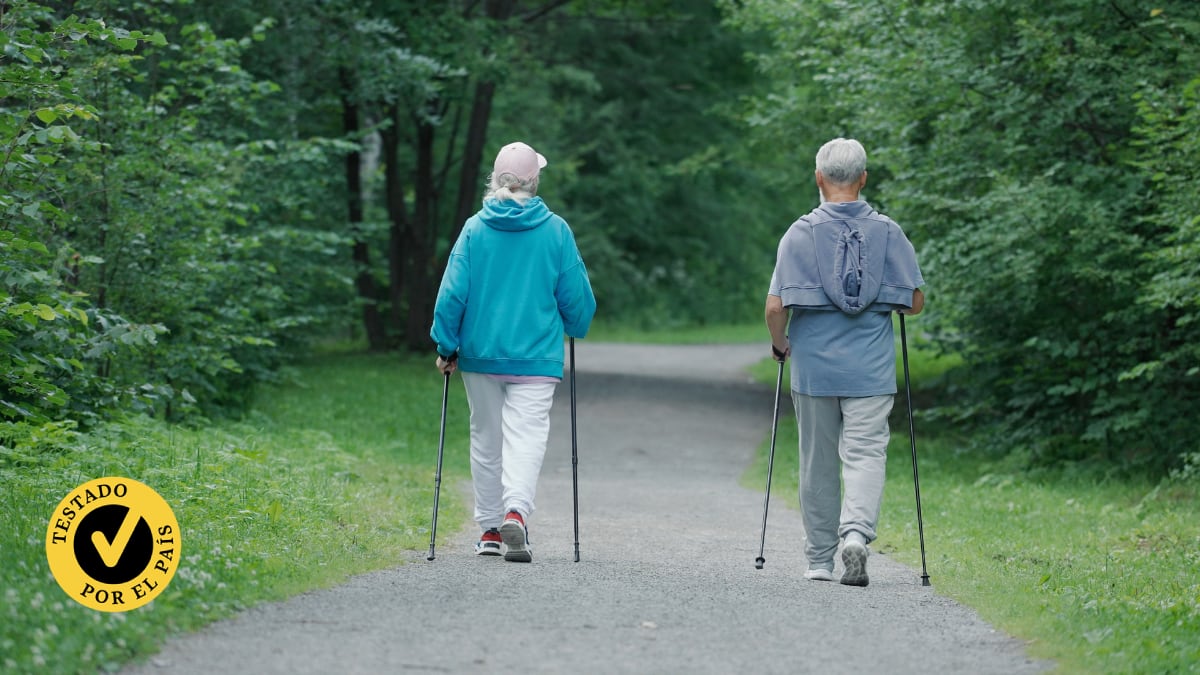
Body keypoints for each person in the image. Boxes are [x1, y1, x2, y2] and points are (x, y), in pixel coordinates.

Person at [764, 137, 924, 586]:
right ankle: (856, 534)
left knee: (817, 460)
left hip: (814, 370)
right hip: (870, 370)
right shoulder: (889, 232)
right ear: (863, 179)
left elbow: (776, 308)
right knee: (865, 453)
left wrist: (780, 346)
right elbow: (914, 302)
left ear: (818, 178)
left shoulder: (799, 233)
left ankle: (819, 560)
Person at [430, 141, 597, 563]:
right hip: (537, 357)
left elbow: (452, 293)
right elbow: (576, 296)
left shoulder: (474, 228)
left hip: (481, 354)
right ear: (534, 180)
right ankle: (516, 513)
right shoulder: (556, 229)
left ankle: (489, 529)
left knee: (486, 438)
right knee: (526, 438)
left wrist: (446, 345)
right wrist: (576, 324)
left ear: (495, 179)